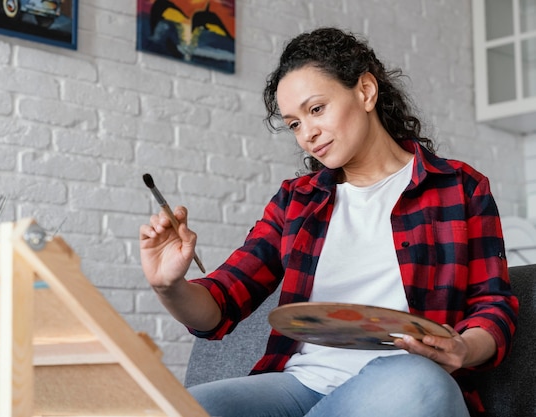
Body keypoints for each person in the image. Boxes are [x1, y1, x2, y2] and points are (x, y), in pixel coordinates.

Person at [139, 27, 518, 417]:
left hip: (402, 385)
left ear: (366, 91)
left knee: (417, 382)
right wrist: (169, 285)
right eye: (294, 124)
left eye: (316, 109)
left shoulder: (458, 187)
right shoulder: (296, 202)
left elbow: (494, 305)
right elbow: (220, 304)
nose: (308, 134)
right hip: (302, 386)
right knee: (182, 408)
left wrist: (462, 349)